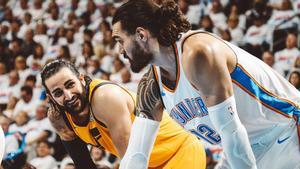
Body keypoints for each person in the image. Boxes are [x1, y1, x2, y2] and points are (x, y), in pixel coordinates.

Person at [111, 0, 300, 169]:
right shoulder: (150, 86)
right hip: (245, 148)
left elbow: (231, 131)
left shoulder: (197, 53)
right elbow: (137, 155)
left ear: (141, 34)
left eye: (120, 41)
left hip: (285, 130)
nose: (120, 50)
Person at [40, 59, 206, 169]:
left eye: (70, 85)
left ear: (81, 79)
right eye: (58, 93)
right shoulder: (58, 118)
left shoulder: (105, 98)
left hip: (178, 152)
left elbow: (133, 161)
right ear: (50, 97)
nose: (68, 96)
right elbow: (83, 163)